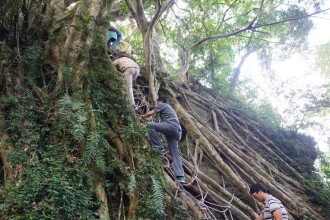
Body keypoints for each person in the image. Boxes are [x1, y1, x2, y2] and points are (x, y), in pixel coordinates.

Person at [141, 96, 186, 183]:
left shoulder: (164, 105)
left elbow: (151, 113)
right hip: (177, 132)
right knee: (175, 153)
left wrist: (142, 117)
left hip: (171, 126)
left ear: (161, 101)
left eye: (158, 102)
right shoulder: (169, 110)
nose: (157, 104)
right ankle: (180, 176)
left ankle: (158, 147)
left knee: (150, 125)